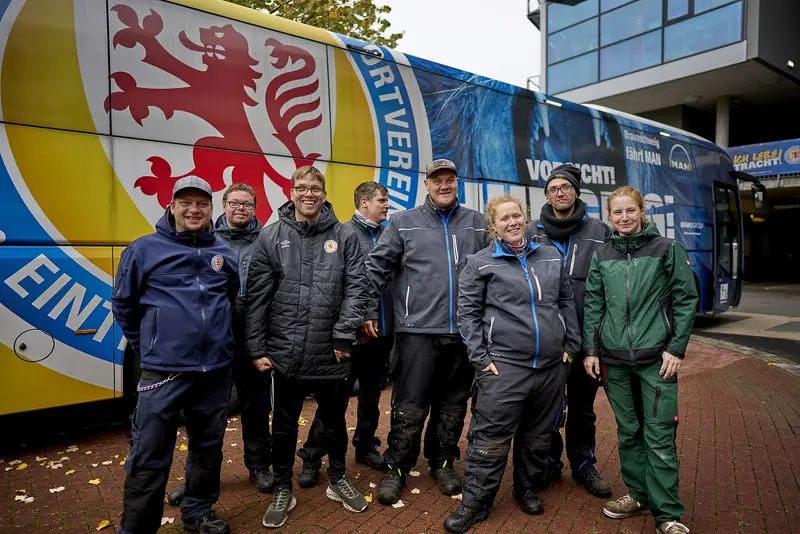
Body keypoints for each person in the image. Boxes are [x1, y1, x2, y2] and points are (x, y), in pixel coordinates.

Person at [443, 195, 581, 532]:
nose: (513, 222)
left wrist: (570, 343)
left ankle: (526, 487)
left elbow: (565, 300)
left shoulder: (550, 256)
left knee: (538, 437)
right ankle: (475, 502)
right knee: (489, 439)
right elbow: (468, 315)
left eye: (517, 215)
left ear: (526, 218)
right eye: (504, 218)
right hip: (504, 368)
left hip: (550, 368)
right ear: (494, 225)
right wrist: (480, 358)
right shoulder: (479, 263)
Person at [243, 166, 370, 528]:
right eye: (302, 188)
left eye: (315, 188)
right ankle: (284, 486)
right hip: (286, 353)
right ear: (292, 192)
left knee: (333, 423)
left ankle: (338, 479)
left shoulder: (345, 236)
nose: (309, 194)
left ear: (324, 193)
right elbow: (257, 298)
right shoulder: (270, 237)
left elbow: (356, 288)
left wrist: (344, 335)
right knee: (283, 426)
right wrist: (256, 348)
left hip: (332, 352)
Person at [112, 176, 239, 534]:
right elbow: (123, 305)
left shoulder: (224, 253)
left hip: (215, 370)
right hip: (163, 372)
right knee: (149, 452)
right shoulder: (143, 250)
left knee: (208, 446)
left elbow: (229, 298)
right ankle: (137, 528)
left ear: (212, 209)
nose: (194, 210)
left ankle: (198, 512)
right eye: (186, 202)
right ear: (171, 206)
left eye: (202, 203)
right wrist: (150, 347)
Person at [366, 159, 487, 505]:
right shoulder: (404, 223)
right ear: (427, 185)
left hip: (464, 332)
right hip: (417, 330)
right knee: (409, 404)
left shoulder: (477, 224)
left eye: (450, 179)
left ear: (456, 183)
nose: (444, 185)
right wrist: (368, 308)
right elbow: (376, 266)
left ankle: (443, 462)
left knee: (452, 405)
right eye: (437, 181)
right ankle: (398, 467)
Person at [582, 186, 697, 534]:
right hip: (614, 361)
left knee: (659, 434)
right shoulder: (602, 255)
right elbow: (593, 305)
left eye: (630, 211)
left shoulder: (667, 249)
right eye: (617, 213)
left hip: (657, 360)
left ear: (642, 212)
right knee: (629, 431)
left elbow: (685, 299)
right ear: (609, 216)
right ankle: (638, 494)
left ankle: (668, 514)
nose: (624, 218)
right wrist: (591, 350)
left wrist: (676, 349)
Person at [166, 183, 274, 507]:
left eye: (247, 204)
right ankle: (197, 481)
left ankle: (259, 466)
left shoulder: (267, 242)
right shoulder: (205, 241)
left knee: (256, 407)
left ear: (255, 209)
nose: (241, 209)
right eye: (235, 203)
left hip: (255, 339)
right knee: (206, 414)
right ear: (223, 206)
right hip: (212, 341)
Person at [297, 182, 394, 486]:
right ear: (364, 203)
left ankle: (365, 447)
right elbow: (336, 285)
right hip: (351, 335)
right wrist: (356, 320)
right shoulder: (341, 234)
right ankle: (312, 455)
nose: (387, 205)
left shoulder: (391, 233)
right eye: (382, 200)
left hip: (383, 333)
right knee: (333, 400)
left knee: (371, 396)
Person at [526, 164, 613, 498]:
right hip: (545, 339)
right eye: (552, 189)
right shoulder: (532, 231)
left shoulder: (599, 231)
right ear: (546, 195)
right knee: (544, 408)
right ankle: (548, 463)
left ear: (576, 191)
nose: (558, 193)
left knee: (581, 408)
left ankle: (583, 465)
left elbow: (610, 287)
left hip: (586, 337)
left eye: (564, 187)